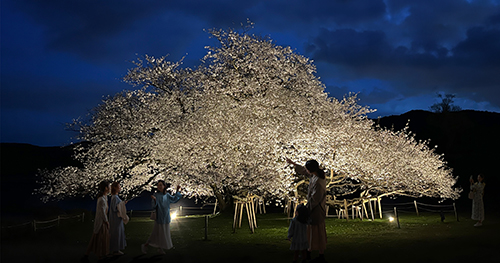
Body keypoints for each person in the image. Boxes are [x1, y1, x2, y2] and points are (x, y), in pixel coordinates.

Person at [287, 158, 327, 263]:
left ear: (311, 169)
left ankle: (317, 254)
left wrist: (306, 209)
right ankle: (310, 253)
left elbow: (315, 199)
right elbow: (305, 171)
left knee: (316, 232)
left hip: (316, 210)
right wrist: (293, 164)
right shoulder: (315, 175)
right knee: (312, 231)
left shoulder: (318, 181)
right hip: (314, 209)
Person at [142, 180, 182, 254]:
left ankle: (159, 248)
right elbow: (153, 207)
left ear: (164, 186)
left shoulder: (167, 195)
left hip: (166, 217)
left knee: (162, 234)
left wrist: (177, 190)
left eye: (161, 185)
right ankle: (146, 245)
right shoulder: (156, 195)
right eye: (158, 185)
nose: (159, 186)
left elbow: (174, 199)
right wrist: (154, 200)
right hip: (159, 218)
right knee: (156, 233)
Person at [85, 180, 110, 260]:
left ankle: (88, 254)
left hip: (102, 221)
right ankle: (99, 256)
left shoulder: (105, 197)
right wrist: (106, 221)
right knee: (99, 239)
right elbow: (102, 212)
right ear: (106, 188)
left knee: (98, 238)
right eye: (109, 186)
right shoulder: (101, 199)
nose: (110, 188)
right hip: (101, 222)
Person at [109, 182, 127, 255]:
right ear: (115, 188)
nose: (120, 188)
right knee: (116, 233)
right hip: (115, 219)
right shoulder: (114, 197)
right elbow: (115, 208)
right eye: (119, 186)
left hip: (117, 219)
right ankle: (115, 250)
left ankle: (116, 249)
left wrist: (122, 204)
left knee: (118, 233)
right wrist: (122, 204)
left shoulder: (115, 197)